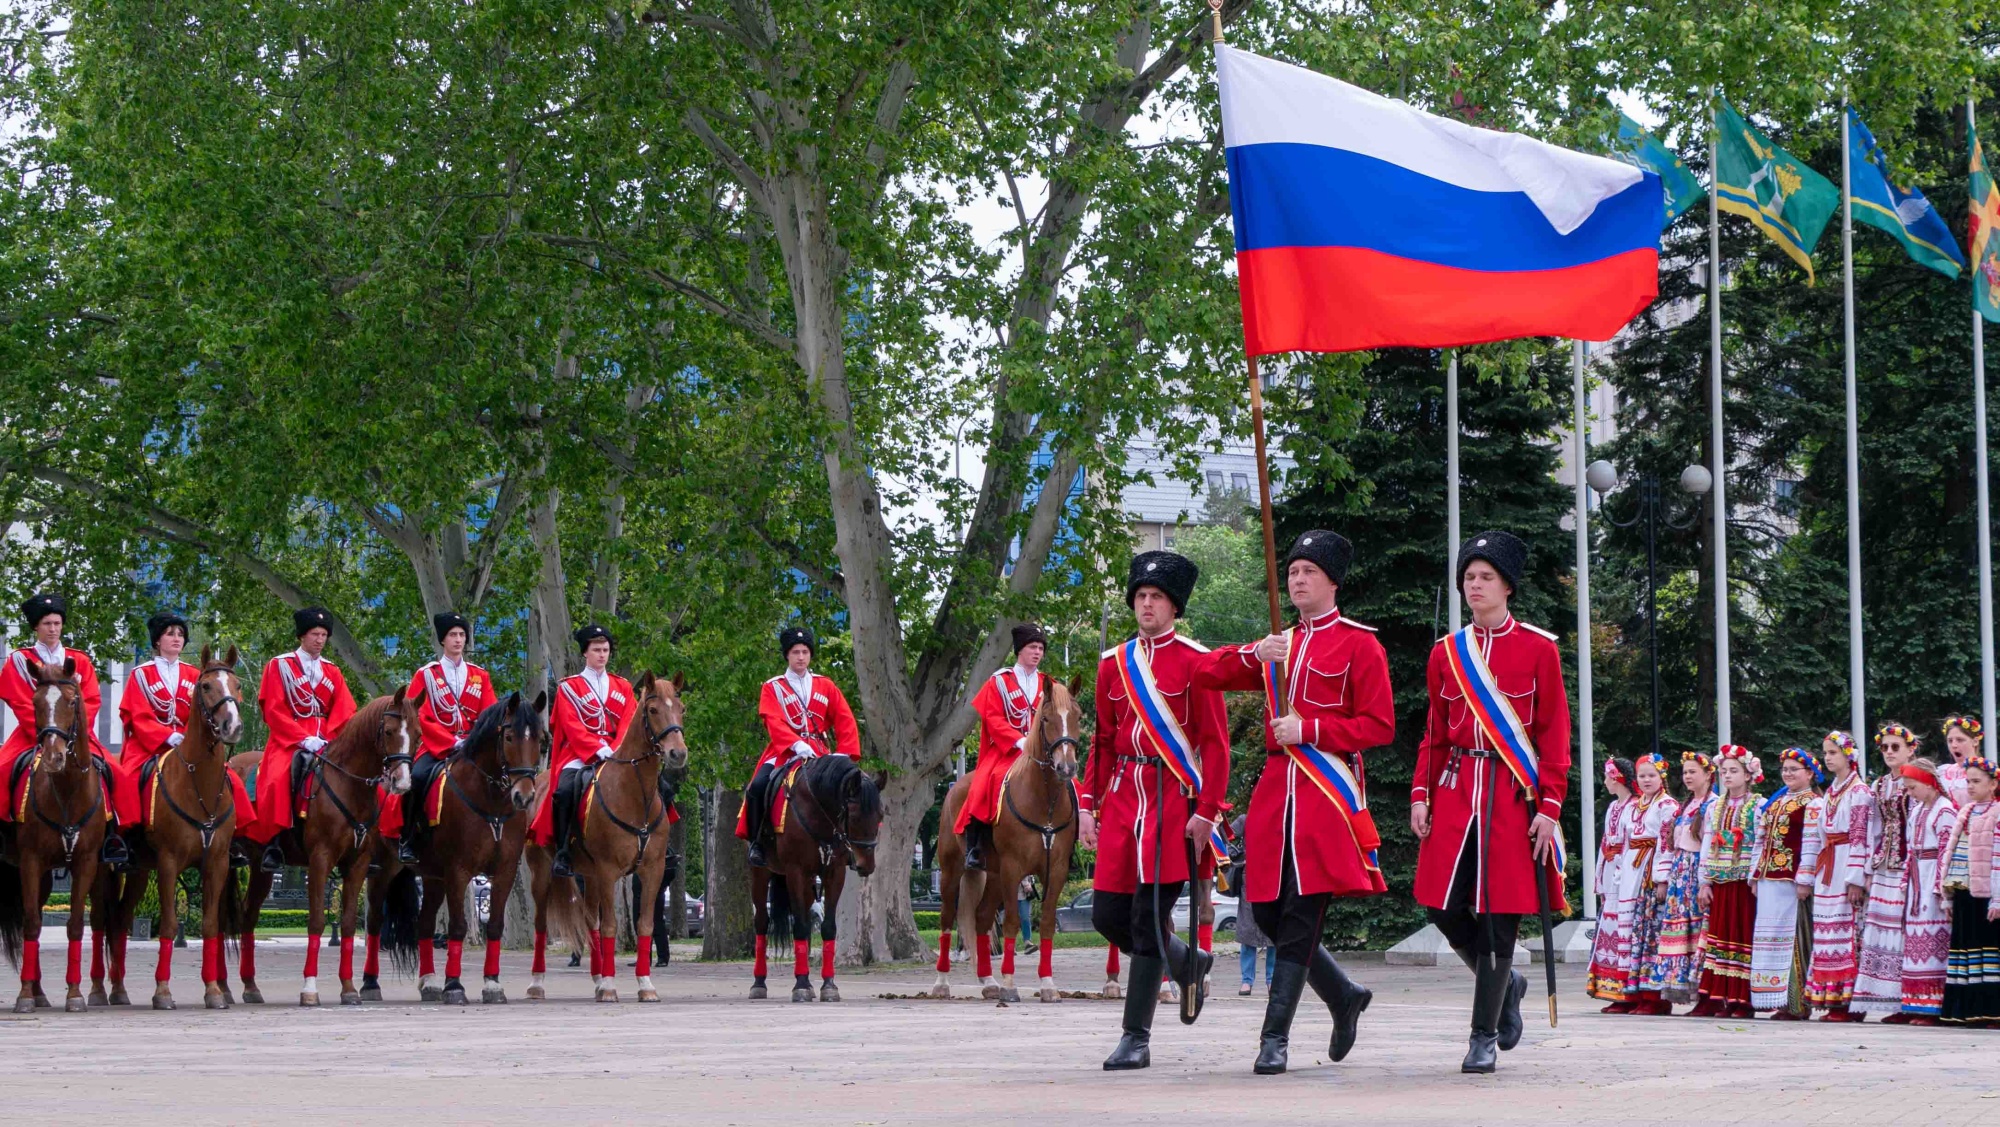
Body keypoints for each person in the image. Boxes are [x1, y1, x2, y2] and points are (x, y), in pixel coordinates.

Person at [1194, 529, 1389, 1074]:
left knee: (1301, 915)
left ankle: (1273, 1038)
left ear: (1332, 582)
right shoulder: (1280, 644)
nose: (1297, 580)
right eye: (1293, 572)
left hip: (1325, 797)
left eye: (1308, 572)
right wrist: (1253, 652)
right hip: (1276, 799)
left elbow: (1379, 725)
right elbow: (1205, 674)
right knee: (1272, 917)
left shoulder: (1359, 644)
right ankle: (1343, 994)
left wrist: (1311, 729)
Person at [1411, 531, 1570, 1074]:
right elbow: (1433, 732)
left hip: (1512, 796)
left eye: (1485, 578)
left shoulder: (1538, 649)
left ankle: (1482, 1036)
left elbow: (1553, 737)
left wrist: (1549, 808)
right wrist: (1420, 795)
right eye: (1468, 578)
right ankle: (1505, 986)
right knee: (1441, 904)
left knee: (1500, 916)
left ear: (1507, 586)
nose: (1474, 586)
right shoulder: (1446, 653)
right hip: (1456, 791)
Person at [1082, 551, 1229, 1072]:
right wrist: (1085, 805)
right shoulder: (1112, 664)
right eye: (1141, 597)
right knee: (1106, 915)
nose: (1147, 605)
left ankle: (1135, 1038)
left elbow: (1215, 744)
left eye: (1157, 598)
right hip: (1123, 796)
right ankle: (1189, 960)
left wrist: (1208, 811)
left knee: (1147, 919)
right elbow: (1100, 741)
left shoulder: (1196, 661)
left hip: (1173, 799)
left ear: (1173, 607)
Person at [113, 611, 256, 860]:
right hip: (150, 746)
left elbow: (208, 712)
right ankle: (126, 839)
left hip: (191, 745)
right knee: (128, 780)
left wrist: (198, 735)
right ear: (158, 640)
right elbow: (137, 716)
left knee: (230, 779)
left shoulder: (196, 675)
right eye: (170, 634)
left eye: (180, 634)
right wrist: (166, 736)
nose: (176, 638)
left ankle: (234, 839)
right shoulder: (141, 674)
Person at [0, 593, 121, 865]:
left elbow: (91, 699)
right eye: (46, 624)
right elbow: (19, 700)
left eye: (56, 623)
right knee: (2, 770)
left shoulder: (79, 660)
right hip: (31, 734)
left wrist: (71, 732)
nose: (53, 629)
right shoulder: (21, 660)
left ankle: (115, 836)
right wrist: (45, 734)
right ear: (36, 627)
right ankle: (6, 833)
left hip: (75, 735)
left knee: (117, 773)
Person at [734, 626, 860, 869]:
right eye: (795, 652)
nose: (801, 657)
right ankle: (758, 843)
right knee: (757, 786)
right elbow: (773, 721)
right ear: (787, 656)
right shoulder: (773, 687)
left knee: (855, 788)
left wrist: (844, 753)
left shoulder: (826, 685)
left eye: (804, 652)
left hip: (820, 752)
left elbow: (845, 719)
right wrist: (795, 743)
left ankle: (850, 845)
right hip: (784, 751)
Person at [246, 607, 358, 873]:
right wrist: (303, 738)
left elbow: (344, 710)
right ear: (302, 636)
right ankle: (274, 842)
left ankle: (363, 841)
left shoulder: (332, 671)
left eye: (323, 635)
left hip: (328, 740)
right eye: (314, 634)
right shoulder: (280, 665)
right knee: (276, 778)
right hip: (289, 740)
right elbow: (273, 709)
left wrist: (329, 738)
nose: (320, 640)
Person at [385, 612, 497, 863]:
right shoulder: (426, 675)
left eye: (461, 635)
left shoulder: (481, 675)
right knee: (418, 778)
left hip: (473, 746)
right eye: (452, 635)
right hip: (437, 747)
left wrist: (474, 740)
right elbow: (418, 715)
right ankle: (408, 838)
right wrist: (451, 741)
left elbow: (489, 713)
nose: (458, 640)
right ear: (443, 641)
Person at [530, 624, 636, 877]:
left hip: (618, 754)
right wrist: (596, 749)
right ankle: (564, 850)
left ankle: (655, 845)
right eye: (597, 649)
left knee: (654, 786)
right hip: (579, 755)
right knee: (565, 791)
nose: (602, 655)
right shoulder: (569, 687)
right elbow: (570, 726)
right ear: (585, 653)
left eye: (606, 650)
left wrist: (615, 748)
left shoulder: (623, 687)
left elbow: (629, 722)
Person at [957, 624, 1051, 872]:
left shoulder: (1048, 684)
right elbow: (993, 718)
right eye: (1032, 647)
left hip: (1043, 754)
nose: (1037, 652)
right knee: (987, 782)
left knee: (1070, 783)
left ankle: (1068, 844)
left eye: (1041, 648)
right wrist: (1019, 741)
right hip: (1007, 751)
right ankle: (976, 845)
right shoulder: (1000, 681)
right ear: (1020, 649)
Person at [1802, 731, 1873, 1020]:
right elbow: (1821, 835)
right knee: (1827, 931)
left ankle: (1850, 1003)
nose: (1828, 758)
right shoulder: (1831, 791)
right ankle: (1832, 998)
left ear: (1849, 755)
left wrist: (1856, 878)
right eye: (1826, 753)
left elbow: (1860, 837)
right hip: (1829, 866)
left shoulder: (1859, 792)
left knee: (1847, 931)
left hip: (1845, 865)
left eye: (1833, 752)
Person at [1852, 723, 1919, 1019]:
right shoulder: (1879, 785)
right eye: (1885, 747)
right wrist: (1867, 866)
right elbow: (1873, 829)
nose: (1889, 752)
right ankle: (1887, 999)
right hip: (1883, 864)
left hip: (1907, 863)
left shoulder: (1917, 782)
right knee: (1879, 931)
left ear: (1911, 749)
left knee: (1902, 932)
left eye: (1896, 747)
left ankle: (1908, 1000)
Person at [1693, 745, 1763, 1018]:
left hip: (1744, 881)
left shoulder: (1758, 805)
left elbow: (1760, 842)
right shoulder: (1715, 806)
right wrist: (1704, 882)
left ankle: (1743, 1000)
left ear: (1748, 774)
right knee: (1720, 936)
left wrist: (1756, 876)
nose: (1728, 775)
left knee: (1742, 935)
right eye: (1724, 771)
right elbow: (1707, 844)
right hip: (1720, 880)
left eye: (1734, 771)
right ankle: (1722, 996)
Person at [1751, 746, 1821, 1019]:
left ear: (1810, 773)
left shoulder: (1812, 803)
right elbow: (1760, 840)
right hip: (1770, 879)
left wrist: (1805, 878)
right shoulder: (1776, 801)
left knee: (1794, 937)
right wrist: (1755, 875)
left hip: (1792, 880)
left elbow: (1811, 843)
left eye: (1794, 769)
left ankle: (1798, 1002)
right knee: (1770, 939)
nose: (1788, 774)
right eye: (1785, 769)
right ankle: (1778, 998)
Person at [1646, 750, 1717, 1010]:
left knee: (1700, 932)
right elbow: (1670, 843)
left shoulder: (1713, 804)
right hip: (1680, 873)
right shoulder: (1686, 806)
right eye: (1685, 772)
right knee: (1682, 931)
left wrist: (1705, 879)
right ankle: (1689, 991)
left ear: (1709, 774)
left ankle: (1707, 996)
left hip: (1697, 871)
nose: (1687, 776)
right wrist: (1665, 877)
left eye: (1692, 772)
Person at [1615, 753, 1680, 1015]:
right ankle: (1633, 993)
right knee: (1633, 930)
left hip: (1650, 870)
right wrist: (1619, 876)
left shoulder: (1668, 806)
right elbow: (1625, 841)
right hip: (1633, 868)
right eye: (1642, 776)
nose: (1646, 780)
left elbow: (1667, 843)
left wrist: (1662, 878)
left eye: (1651, 775)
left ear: (1661, 776)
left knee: (1650, 931)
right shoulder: (1634, 805)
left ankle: (1655, 996)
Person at [1938, 755, 2000, 1025]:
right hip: (1964, 889)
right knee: (1965, 948)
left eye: (1977, 781)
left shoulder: (1997, 812)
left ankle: (1990, 1010)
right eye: (1968, 781)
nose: (1971, 786)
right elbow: (1954, 854)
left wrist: (1998, 897)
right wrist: (1947, 895)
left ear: (1994, 783)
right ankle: (1964, 1010)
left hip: (1986, 893)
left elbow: (1998, 858)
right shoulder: (1965, 811)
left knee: (1987, 949)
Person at [1896, 758, 1957, 1024]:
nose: (1909, 793)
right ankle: (1917, 1004)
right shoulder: (1918, 810)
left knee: (1933, 939)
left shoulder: (1944, 810)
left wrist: (1940, 888)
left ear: (1928, 783)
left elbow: (1947, 852)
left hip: (1932, 878)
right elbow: (1910, 850)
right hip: (1917, 878)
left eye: (1912, 787)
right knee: (1916, 938)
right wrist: (1904, 884)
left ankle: (1934, 1006)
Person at [1585, 759, 1636, 1009]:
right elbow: (1606, 842)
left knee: (1622, 933)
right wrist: (1599, 878)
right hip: (1610, 874)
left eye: (1607, 777)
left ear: (1616, 778)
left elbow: (1629, 843)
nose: (1605, 782)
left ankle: (1625, 992)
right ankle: (1611, 990)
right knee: (1609, 931)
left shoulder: (1634, 807)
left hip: (1624, 874)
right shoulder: (1613, 807)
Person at [1228, 812, 1276, 995]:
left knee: (1273, 932)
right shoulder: (1246, 819)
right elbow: (1225, 835)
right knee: (1248, 930)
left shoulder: (1278, 816)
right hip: (1250, 878)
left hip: (1273, 876)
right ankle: (1246, 981)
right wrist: (1237, 856)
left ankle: (1272, 979)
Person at [1938, 716, 1980, 806]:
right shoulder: (1942, 772)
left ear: (1975, 741)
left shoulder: (1985, 772)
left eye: (1960, 740)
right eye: (1950, 741)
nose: (1954, 745)